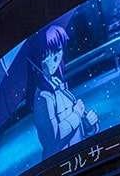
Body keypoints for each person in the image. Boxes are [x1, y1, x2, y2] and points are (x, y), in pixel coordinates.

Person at [27, 25, 99, 160]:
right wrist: (77, 114)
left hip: (80, 161)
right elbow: (53, 142)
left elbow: (75, 132)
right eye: (47, 55)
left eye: (58, 50)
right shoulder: (43, 98)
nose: (54, 59)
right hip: (60, 166)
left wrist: (88, 126)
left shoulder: (60, 88)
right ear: (36, 60)